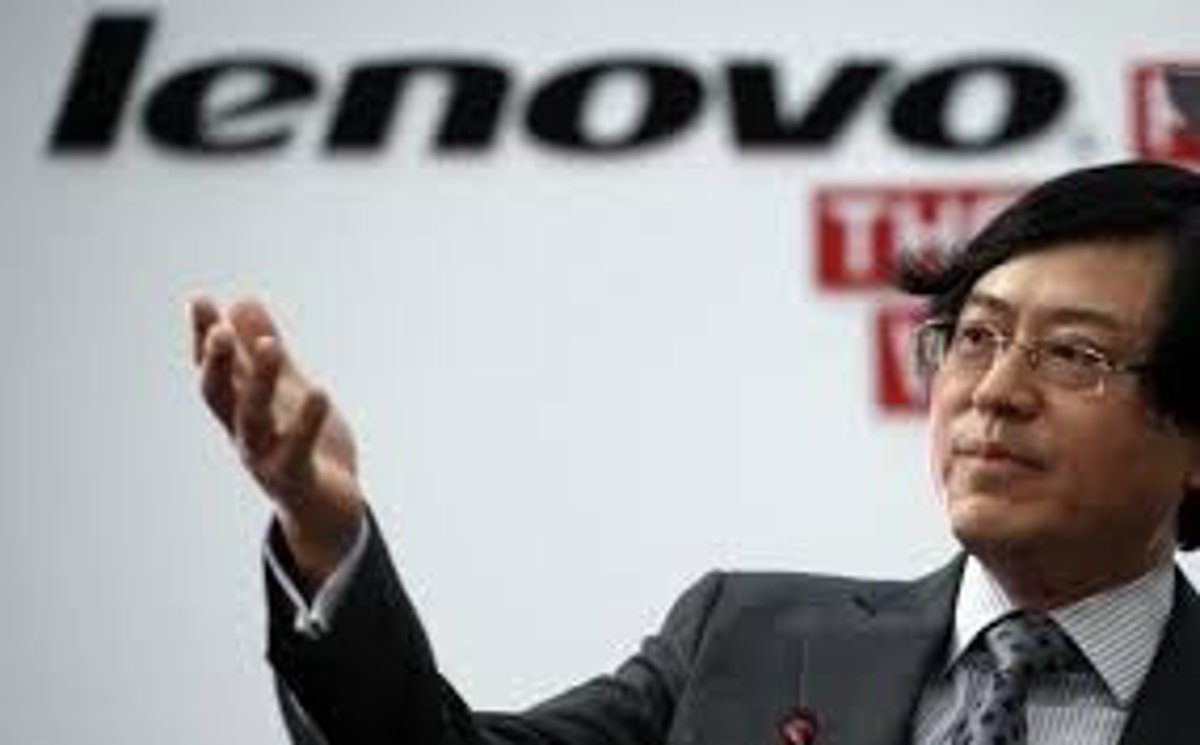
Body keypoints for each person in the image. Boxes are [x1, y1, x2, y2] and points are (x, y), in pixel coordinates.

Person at [190, 160, 1200, 745]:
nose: (995, 391)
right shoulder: (743, 639)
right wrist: (325, 533)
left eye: (1075, 354)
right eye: (975, 336)